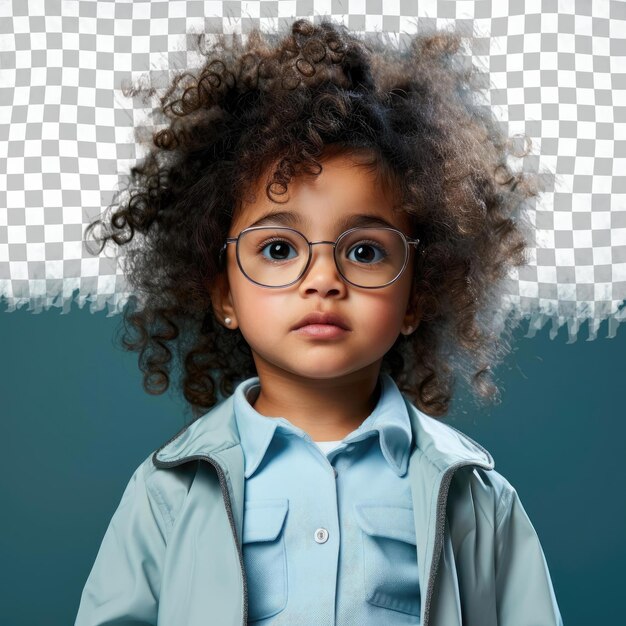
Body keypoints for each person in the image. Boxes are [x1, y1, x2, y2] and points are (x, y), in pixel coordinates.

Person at [75, 17, 562, 626]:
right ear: (223, 292)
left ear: (417, 296)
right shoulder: (168, 492)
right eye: (278, 249)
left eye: (365, 251)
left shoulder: (474, 498)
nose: (323, 279)